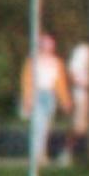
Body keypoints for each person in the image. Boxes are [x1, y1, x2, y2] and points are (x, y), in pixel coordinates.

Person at [24, 31, 67, 163]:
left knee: (46, 126)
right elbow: (27, 80)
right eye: (45, 44)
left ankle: (42, 152)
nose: (47, 47)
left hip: (50, 95)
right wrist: (28, 98)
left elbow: (60, 83)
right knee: (38, 125)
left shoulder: (56, 62)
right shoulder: (33, 61)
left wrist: (65, 100)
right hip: (37, 94)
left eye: (50, 44)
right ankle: (37, 154)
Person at [66, 39, 89, 142]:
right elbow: (72, 73)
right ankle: (67, 151)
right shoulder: (83, 50)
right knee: (79, 126)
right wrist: (85, 85)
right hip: (82, 93)